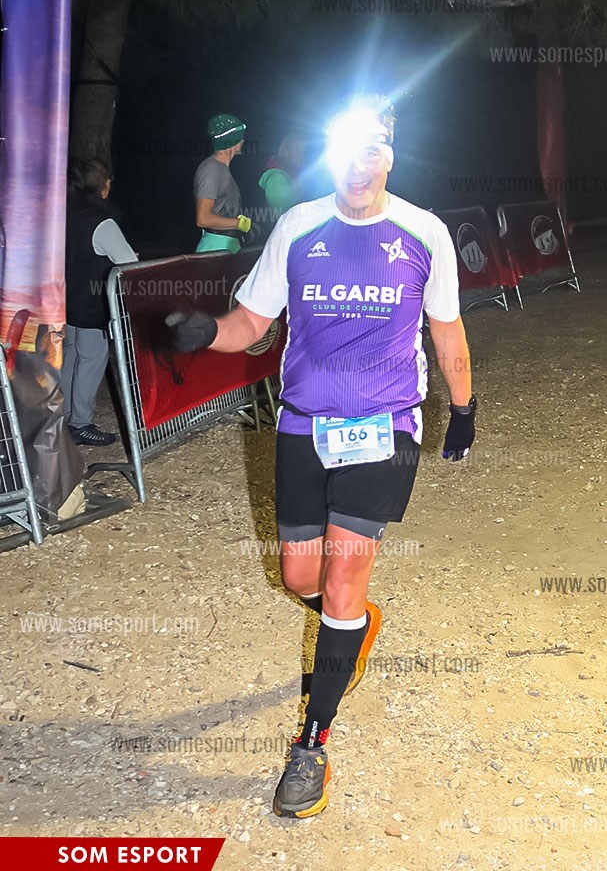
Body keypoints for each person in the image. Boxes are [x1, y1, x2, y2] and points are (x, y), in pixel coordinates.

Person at [167, 95, 476, 819]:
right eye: (346, 151)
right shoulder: (298, 227)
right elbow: (252, 321)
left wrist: (463, 410)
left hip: (385, 429)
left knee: (341, 580)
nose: (358, 166)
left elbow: (447, 331)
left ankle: (312, 744)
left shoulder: (423, 233)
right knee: (300, 576)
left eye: (372, 150)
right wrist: (204, 332)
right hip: (303, 425)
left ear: (389, 155)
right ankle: (353, 626)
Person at [62, 159, 137, 446]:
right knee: (91, 361)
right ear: (101, 184)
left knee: (71, 358)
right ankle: (80, 424)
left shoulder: (66, 214)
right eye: (108, 180)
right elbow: (127, 262)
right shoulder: (102, 222)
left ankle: (63, 418)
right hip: (93, 305)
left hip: (67, 302)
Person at [193, 113, 252, 253]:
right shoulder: (211, 168)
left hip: (226, 246)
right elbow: (203, 218)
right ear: (232, 141)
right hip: (215, 247)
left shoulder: (221, 168)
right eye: (240, 137)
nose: (243, 141)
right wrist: (239, 224)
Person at [258, 130, 304, 222]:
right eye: (297, 149)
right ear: (287, 152)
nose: (302, 154)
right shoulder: (277, 179)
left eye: (304, 150)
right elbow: (285, 218)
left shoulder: (296, 175)